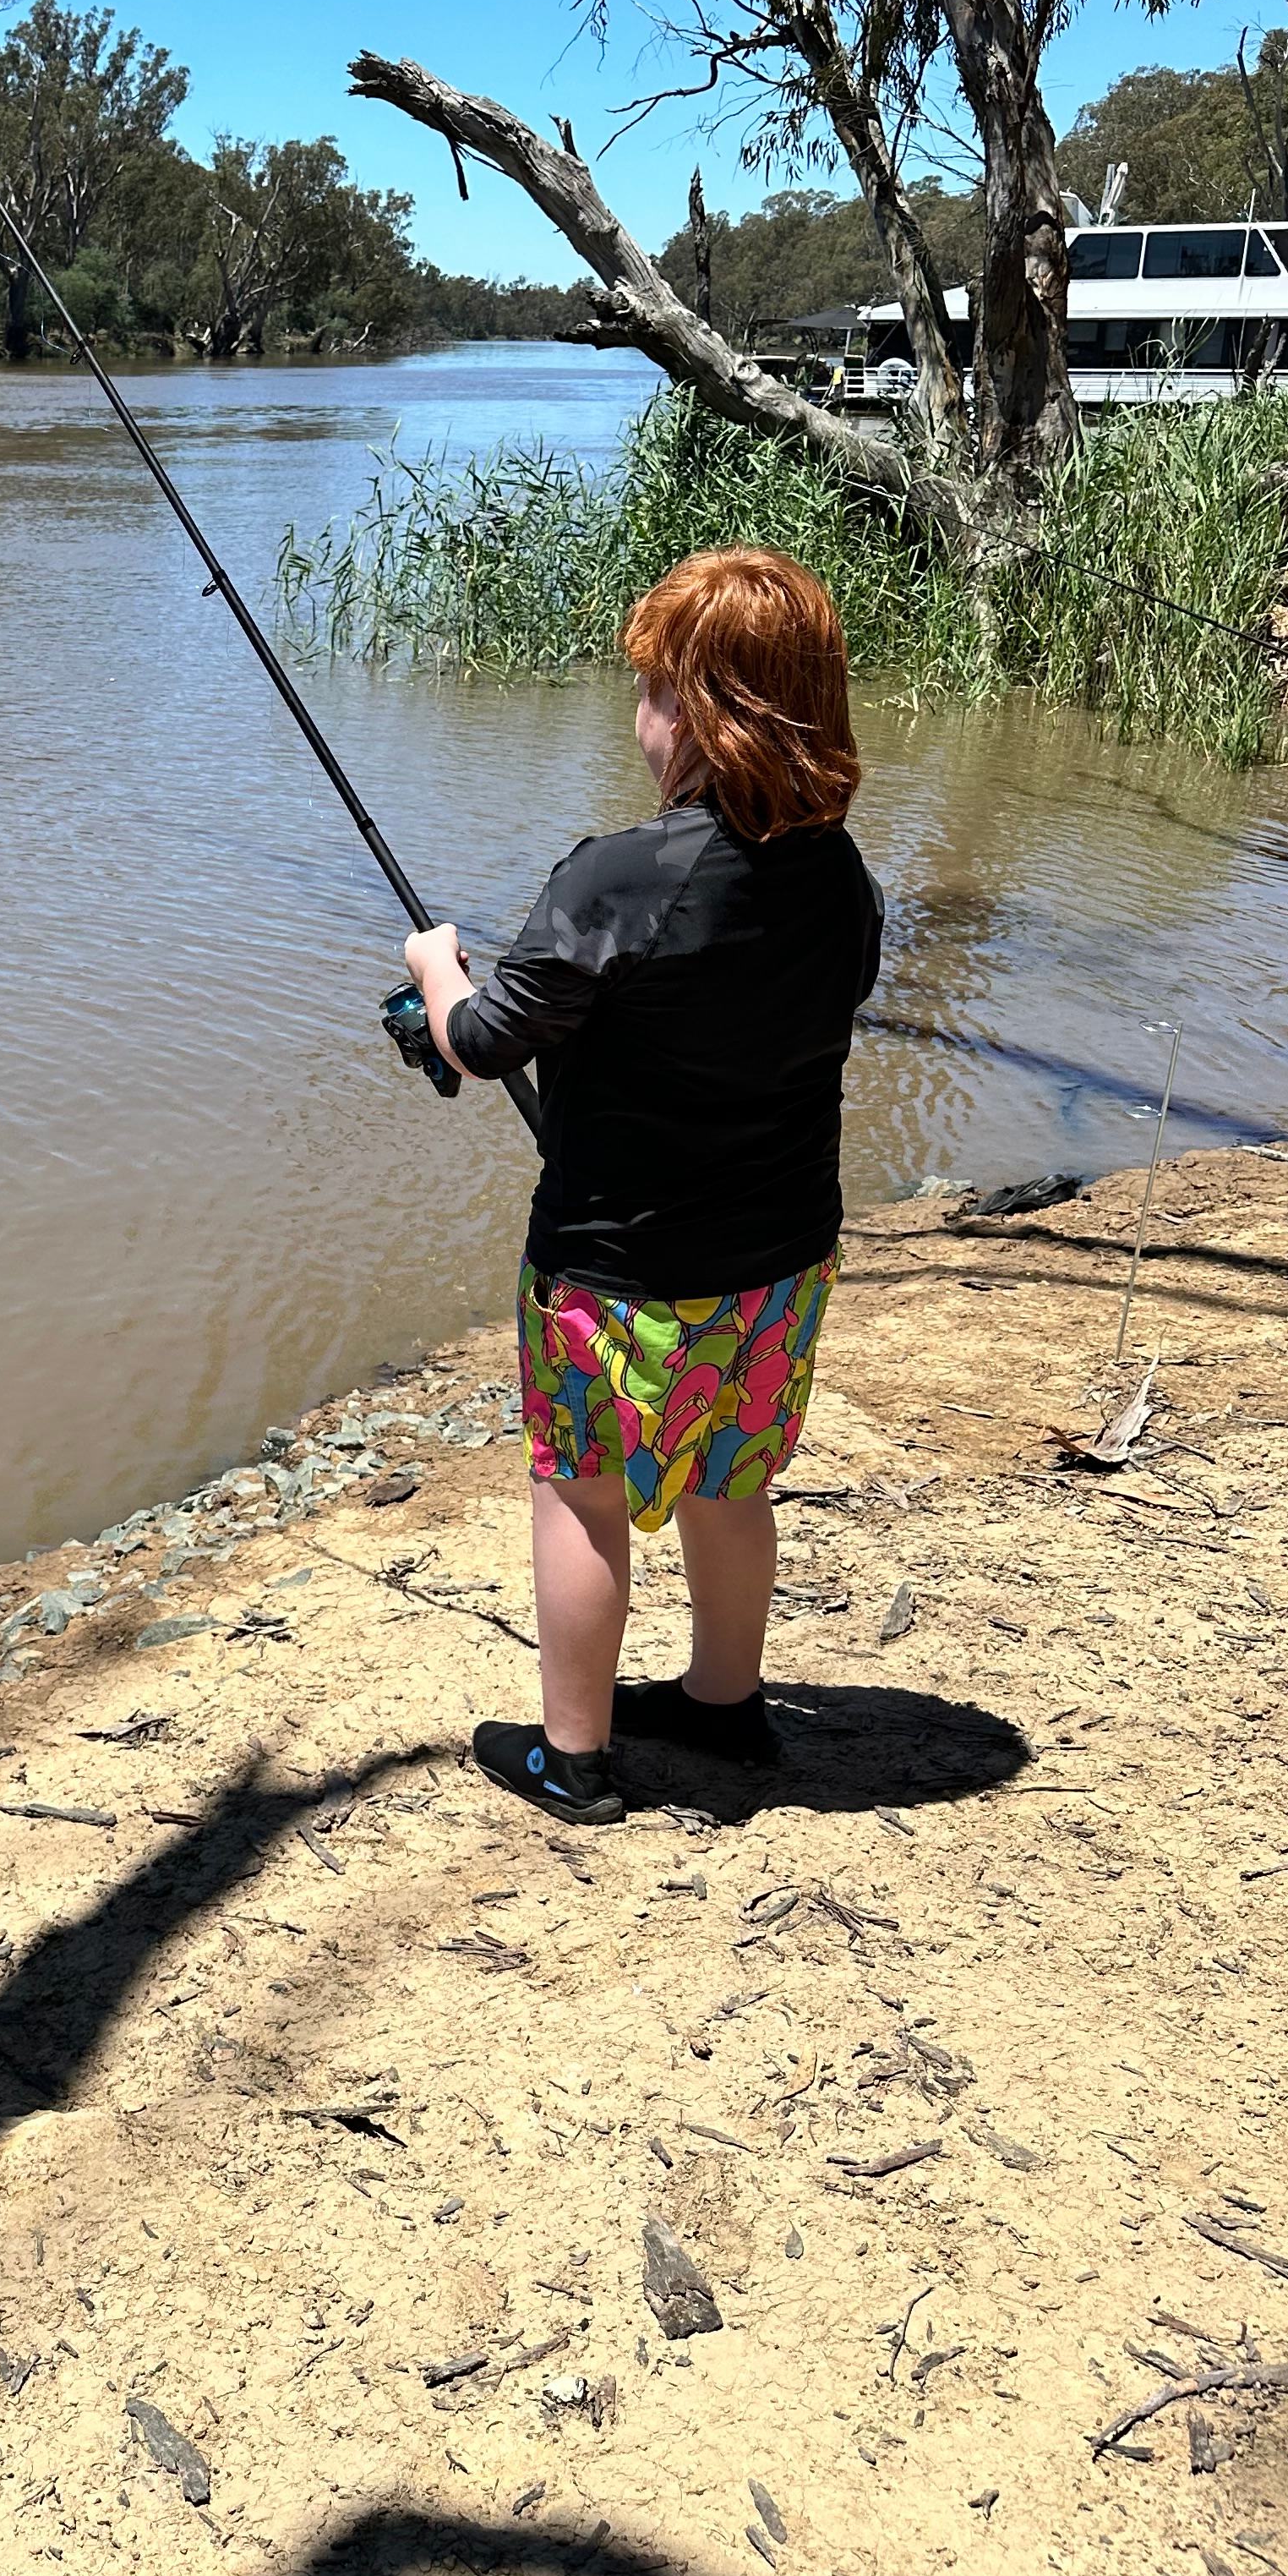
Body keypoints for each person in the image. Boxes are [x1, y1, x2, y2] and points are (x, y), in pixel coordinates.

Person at [401, 544, 884, 1825]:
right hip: (780, 1259)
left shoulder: (617, 878)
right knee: (731, 1478)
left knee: (581, 1486)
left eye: (658, 689)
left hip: (614, 1272)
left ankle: (577, 1759)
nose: (642, 715)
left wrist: (434, 966)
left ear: (700, 714)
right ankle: (725, 1706)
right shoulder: (838, 876)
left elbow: (483, 1039)